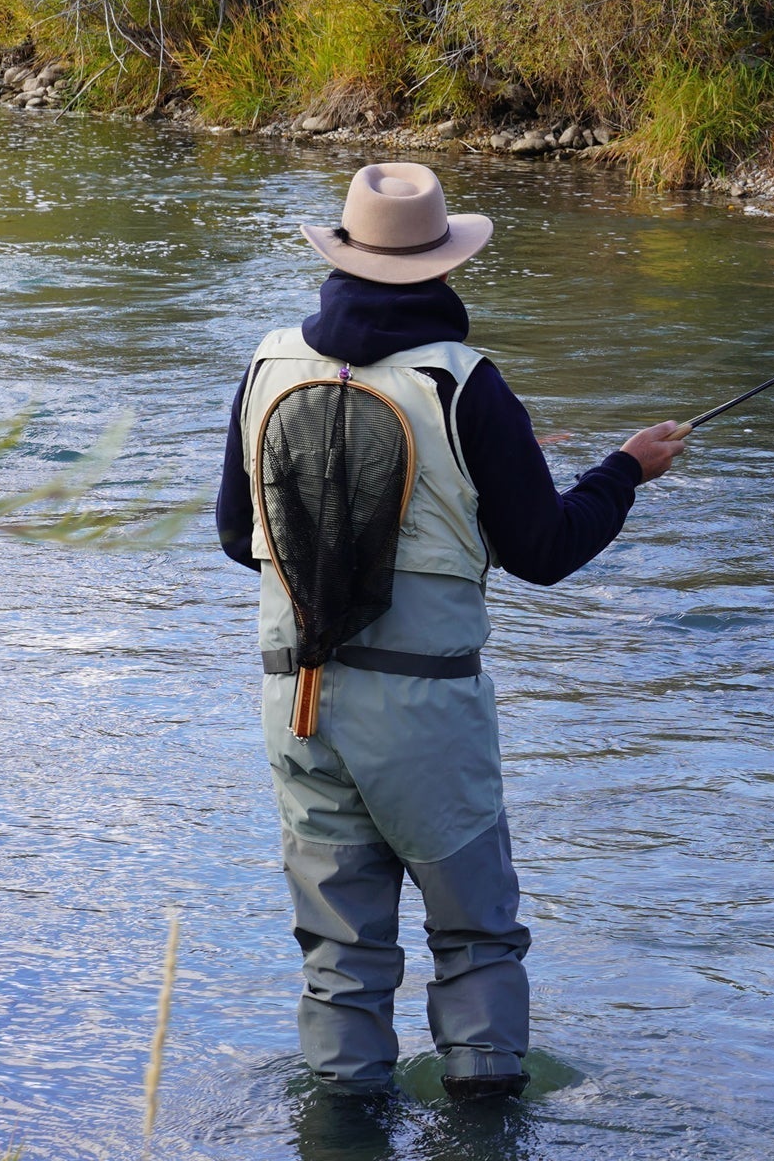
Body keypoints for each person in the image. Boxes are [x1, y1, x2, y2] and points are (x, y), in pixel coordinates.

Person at [215, 161, 684, 1102]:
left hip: (294, 701)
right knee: (474, 937)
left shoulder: (269, 362)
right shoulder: (463, 384)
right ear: (441, 268)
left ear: (344, 257)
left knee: (340, 948)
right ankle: (483, 1127)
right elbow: (546, 549)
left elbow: (239, 536)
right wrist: (624, 471)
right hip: (422, 711)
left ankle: (343, 1122)